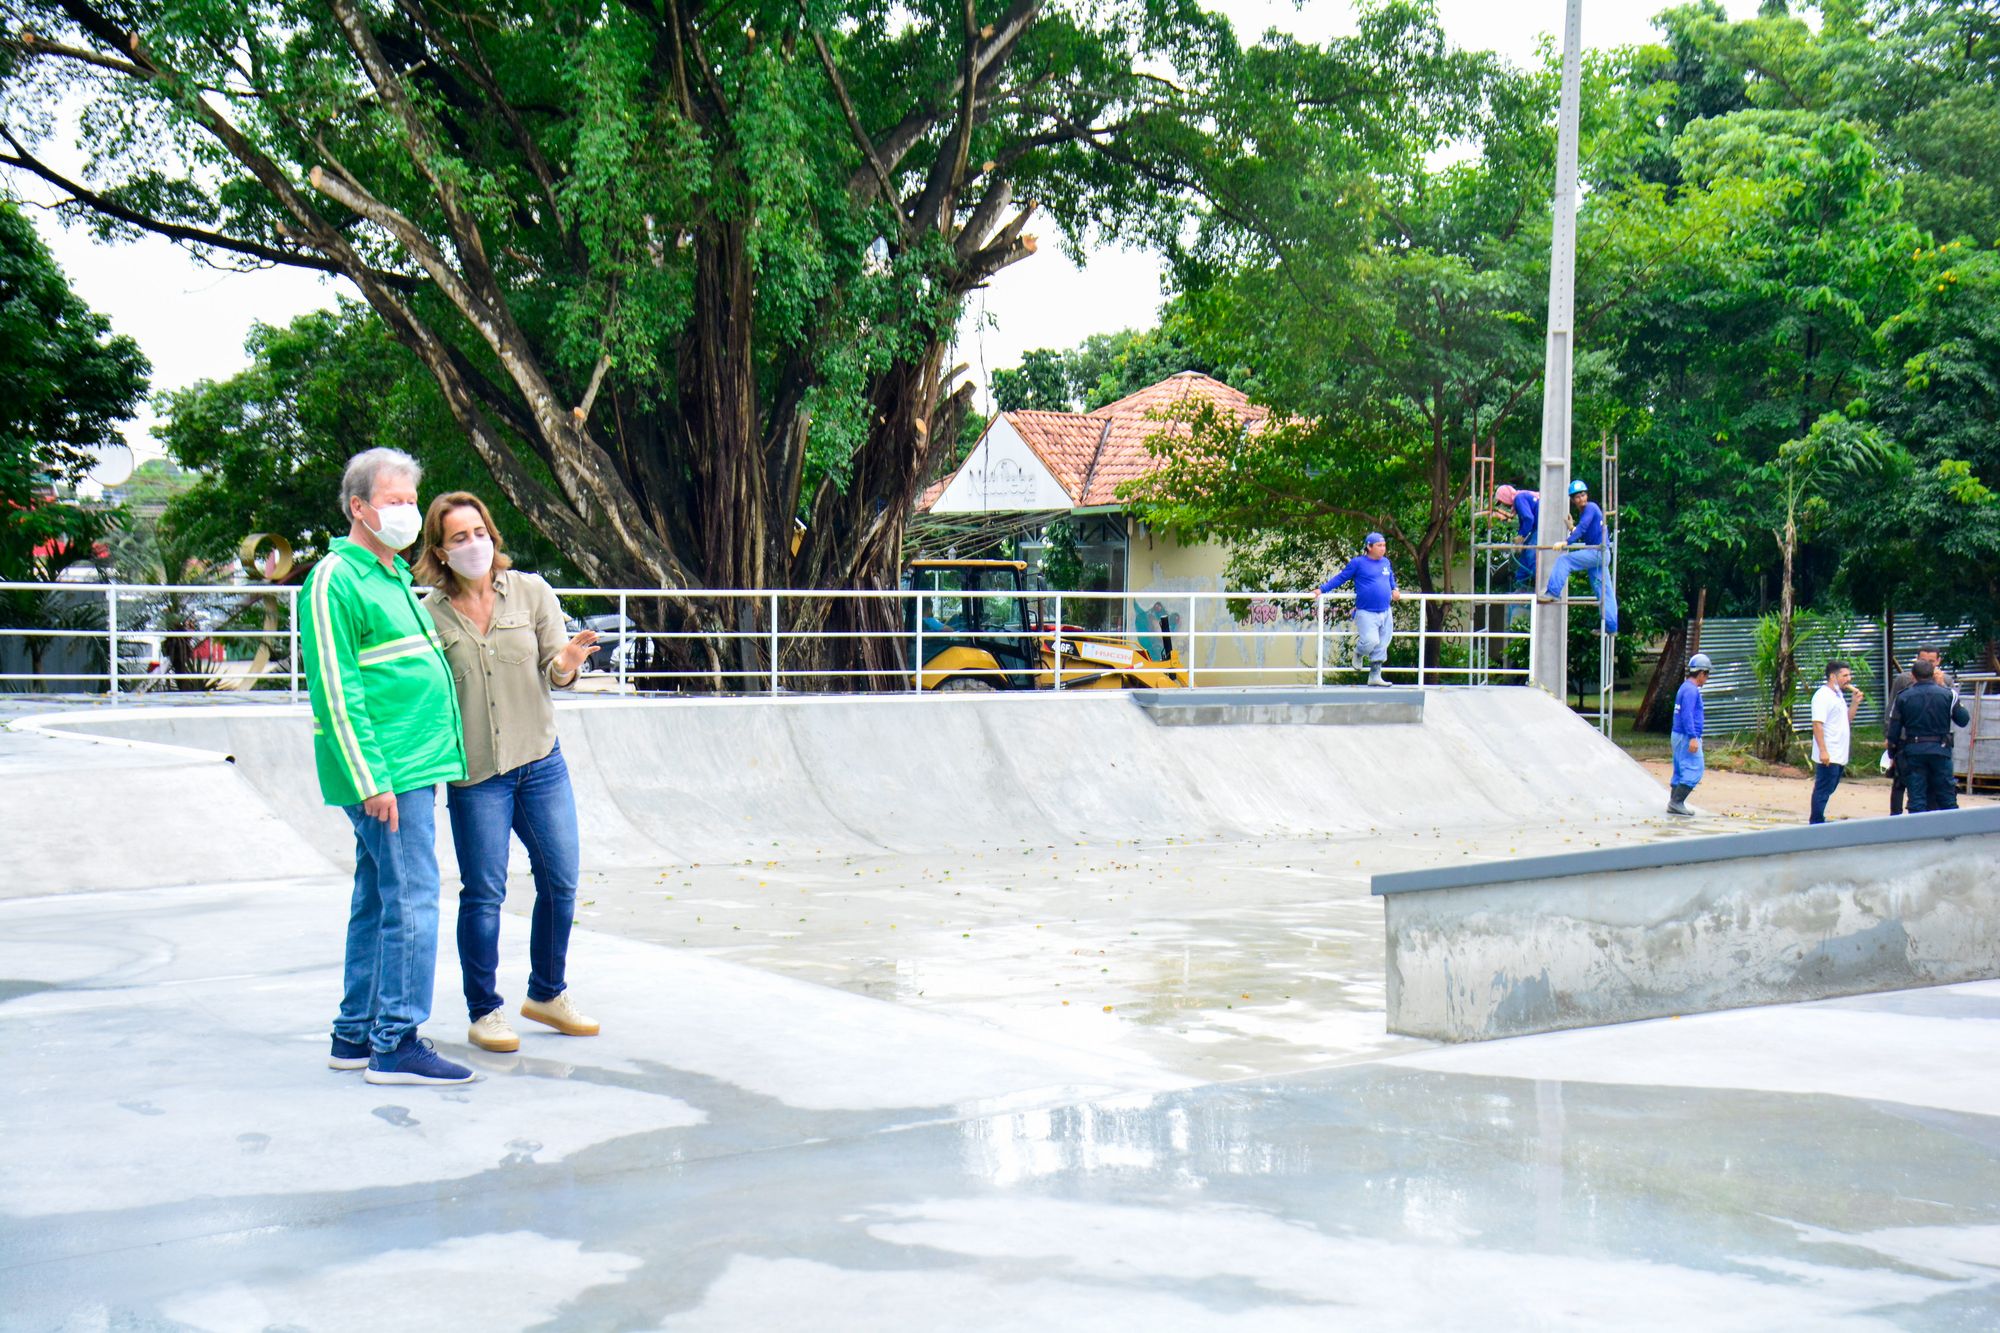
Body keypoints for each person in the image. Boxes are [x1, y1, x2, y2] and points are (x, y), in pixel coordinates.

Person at [302, 448, 474, 1086]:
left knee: (378, 899)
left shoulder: (392, 575)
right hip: (386, 773)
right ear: (359, 507)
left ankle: (355, 1035)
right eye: (395, 500)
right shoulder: (334, 579)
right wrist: (371, 780)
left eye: (410, 500)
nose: (406, 511)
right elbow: (335, 689)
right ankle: (396, 1042)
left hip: (410, 767)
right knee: (413, 900)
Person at [416, 493, 603, 1053]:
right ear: (440, 552)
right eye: (459, 538)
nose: (474, 544)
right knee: (484, 893)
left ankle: (547, 993)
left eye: (480, 532)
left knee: (561, 881)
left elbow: (555, 669)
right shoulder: (429, 615)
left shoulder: (531, 591)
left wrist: (567, 667)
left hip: (541, 762)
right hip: (477, 777)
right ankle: (485, 1011)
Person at [1885, 657, 1972, 813]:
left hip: (1914, 752)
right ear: (1934, 674)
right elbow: (1963, 720)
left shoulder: (1903, 696)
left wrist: (1892, 752)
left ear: (1912, 676)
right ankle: (1952, 832)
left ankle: (1918, 833)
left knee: (1917, 797)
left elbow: (1894, 729)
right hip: (1941, 751)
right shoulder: (1948, 695)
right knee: (1947, 796)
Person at [1318, 532, 1403, 688]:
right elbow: (1341, 578)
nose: (1383, 549)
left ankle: (1375, 676)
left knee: (1382, 644)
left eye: (1384, 545)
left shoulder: (1385, 562)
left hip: (1385, 611)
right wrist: (1321, 590)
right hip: (1366, 611)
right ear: (1369, 547)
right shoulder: (1358, 563)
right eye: (1379, 545)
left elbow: (1390, 578)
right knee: (1371, 640)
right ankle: (1358, 652)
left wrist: (1395, 589)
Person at [1541, 479, 1618, 634]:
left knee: (1565, 560)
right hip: (1600, 554)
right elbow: (1587, 531)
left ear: (1586, 495)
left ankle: (1552, 592)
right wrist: (1571, 527)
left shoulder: (1590, 507)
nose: (1581, 499)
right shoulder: (1588, 511)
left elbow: (1582, 528)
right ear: (1572, 499)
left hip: (1598, 553)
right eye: (1577, 497)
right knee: (1603, 591)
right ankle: (1611, 627)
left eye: (1583, 495)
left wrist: (1566, 542)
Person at [1809, 659, 1863, 825]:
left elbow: (1846, 719)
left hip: (1839, 752)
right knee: (1823, 788)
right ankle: (1816, 821)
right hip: (1829, 752)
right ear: (1833, 676)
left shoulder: (1838, 695)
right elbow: (1817, 724)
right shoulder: (1822, 696)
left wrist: (1854, 703)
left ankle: (1818, 818)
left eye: (1849, 675)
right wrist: (1823, 751)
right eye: (1845, 675)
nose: (1849, 679)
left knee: (1830, 787)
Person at [1667, 652, 1712, 817]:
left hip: (1678, 734)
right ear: (1701, 673)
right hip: (1686, 736)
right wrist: (1693, 737)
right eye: (1706, 676)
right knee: (1695, 768)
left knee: (1680, 769)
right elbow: (1687, 715)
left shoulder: (1684, 687)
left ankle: (1674, 802)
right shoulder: (1692, 691)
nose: (1705, 680)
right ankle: (1677, 802)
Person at [1489, 485, 1540, 593]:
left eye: (1502, 502)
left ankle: (1541, 584)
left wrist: (1521, 536)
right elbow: (1524, 523)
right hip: (1537, 528)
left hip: (1542, 528)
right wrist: (1520, 538)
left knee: (1531, 552)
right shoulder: (1520, 499)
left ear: (1506, 497)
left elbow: (1529, 519)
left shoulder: (1519, 498)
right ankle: (1520, 584)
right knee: (1525, 553)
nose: (1503, 505)